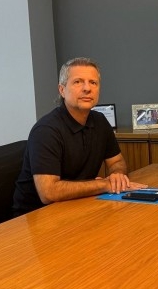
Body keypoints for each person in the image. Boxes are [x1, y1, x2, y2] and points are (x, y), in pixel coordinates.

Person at [12, 57, 147, 216]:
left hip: (77, 205)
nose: (87, 88)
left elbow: (116, 162)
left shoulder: (100, 121)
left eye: (93, 82)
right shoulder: (46, 130)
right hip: (37, 216)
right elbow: (49, 192)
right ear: (62, 90)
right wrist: (104, 185)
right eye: (78, 82)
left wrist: (117, 176)